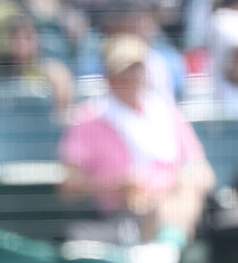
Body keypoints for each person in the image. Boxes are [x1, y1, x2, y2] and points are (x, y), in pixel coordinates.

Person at [58, 34, 215, 247]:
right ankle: (169, 249)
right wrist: (117, 185)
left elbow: (204, 172)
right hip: (125, 215)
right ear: (108, 75)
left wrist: (178, 182)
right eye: (123, 71)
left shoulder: (166, 112)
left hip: (176, 205)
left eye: (136, 69)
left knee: (183, 194)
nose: (130, 78)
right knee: (170, 205)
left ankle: (168, 248)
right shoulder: (88, 118)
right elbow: (69, 186)